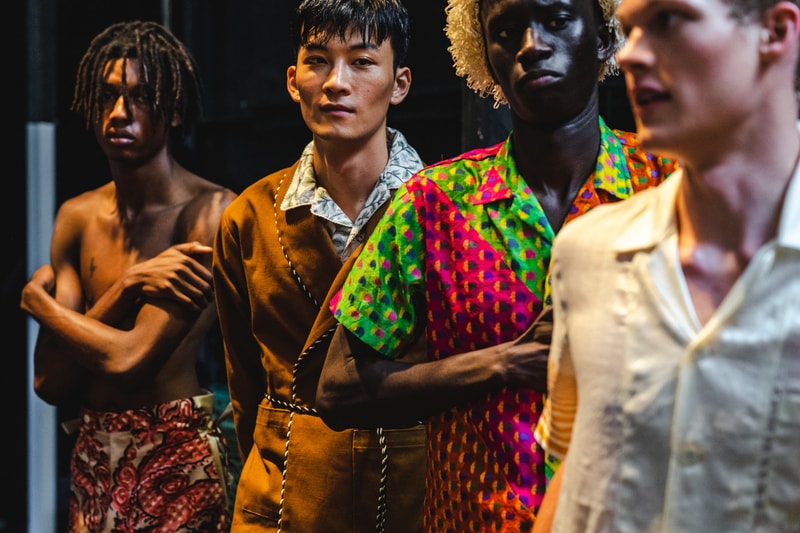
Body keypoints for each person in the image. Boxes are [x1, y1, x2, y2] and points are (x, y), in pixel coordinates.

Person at [315, 0, 679, 531]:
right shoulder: (435, 201)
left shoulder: (668, 183)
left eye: (556, 21)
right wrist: (503, 364)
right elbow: (338, 388)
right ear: (484, 55)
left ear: (604, 37)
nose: (532, 46)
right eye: (507, 32)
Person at [531, 0, 800, 530]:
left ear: (775, 30)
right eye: (628, 30)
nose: (629, 54)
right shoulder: (586, 252)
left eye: (667, 21)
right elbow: (577, 472)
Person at [211, 0, 427, 531]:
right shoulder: (250, 214)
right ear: (292, 80)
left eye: (361, 61)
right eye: (317, 61)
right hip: (285, 498)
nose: (336, 82)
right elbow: (243, 384)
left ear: (399, 84)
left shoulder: (443, 206)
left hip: (411, 490)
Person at [20, 20, 236, 532]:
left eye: (140, 97)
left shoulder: (208, 213)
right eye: (109, 96)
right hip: (93, 450)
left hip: (175, 449)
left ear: (175, 111)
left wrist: (39, 305)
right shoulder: (78, 216)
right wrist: (131, 285)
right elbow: (50, 379)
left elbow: (130, 359)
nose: (120, 113)